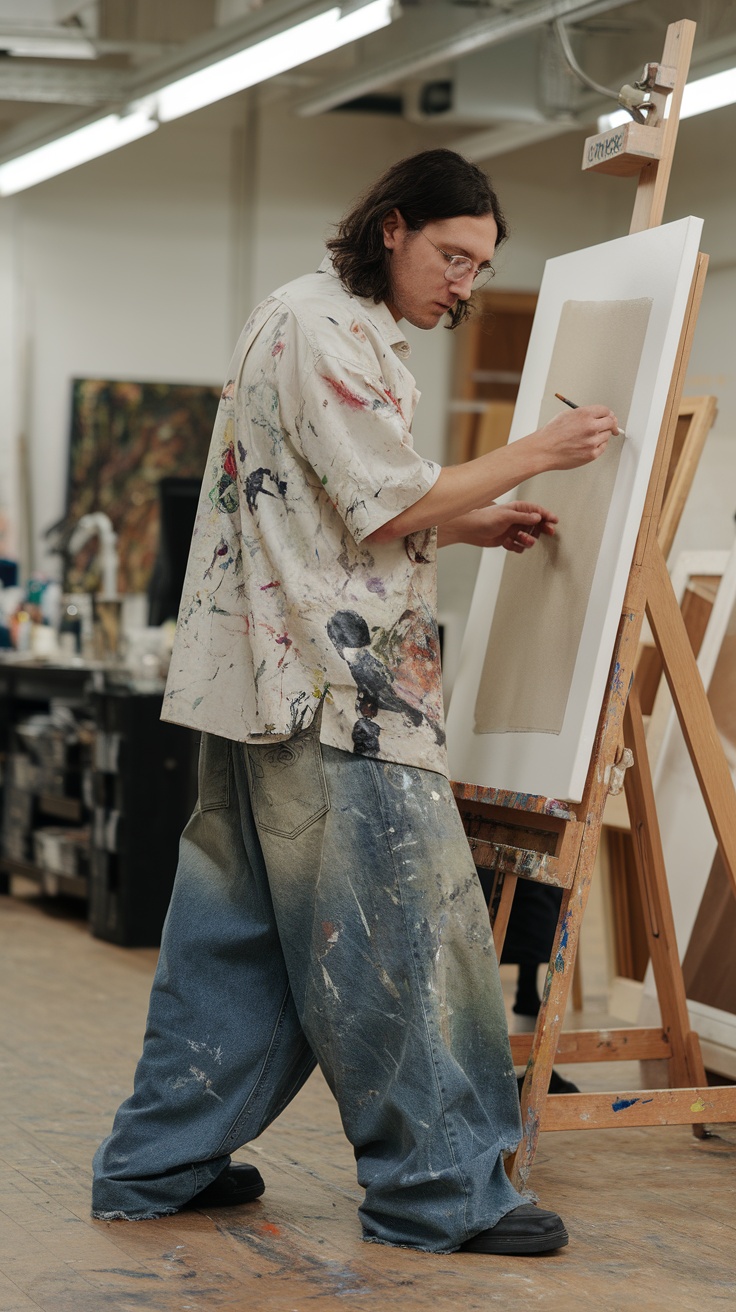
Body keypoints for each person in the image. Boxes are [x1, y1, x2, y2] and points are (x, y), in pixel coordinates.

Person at [91, 148, 618, 1255]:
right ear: (392, 227)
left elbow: (334, 503)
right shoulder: (326, 330)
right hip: (337, 696)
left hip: (264, 689)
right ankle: (442, 1192)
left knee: (233, 941)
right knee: (407, 942)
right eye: (452, 256)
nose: (463, 285)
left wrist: (467, 519)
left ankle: (158, 1162)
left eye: (479, 265)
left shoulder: (305, 316)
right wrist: (538, 453)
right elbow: (378, 503)